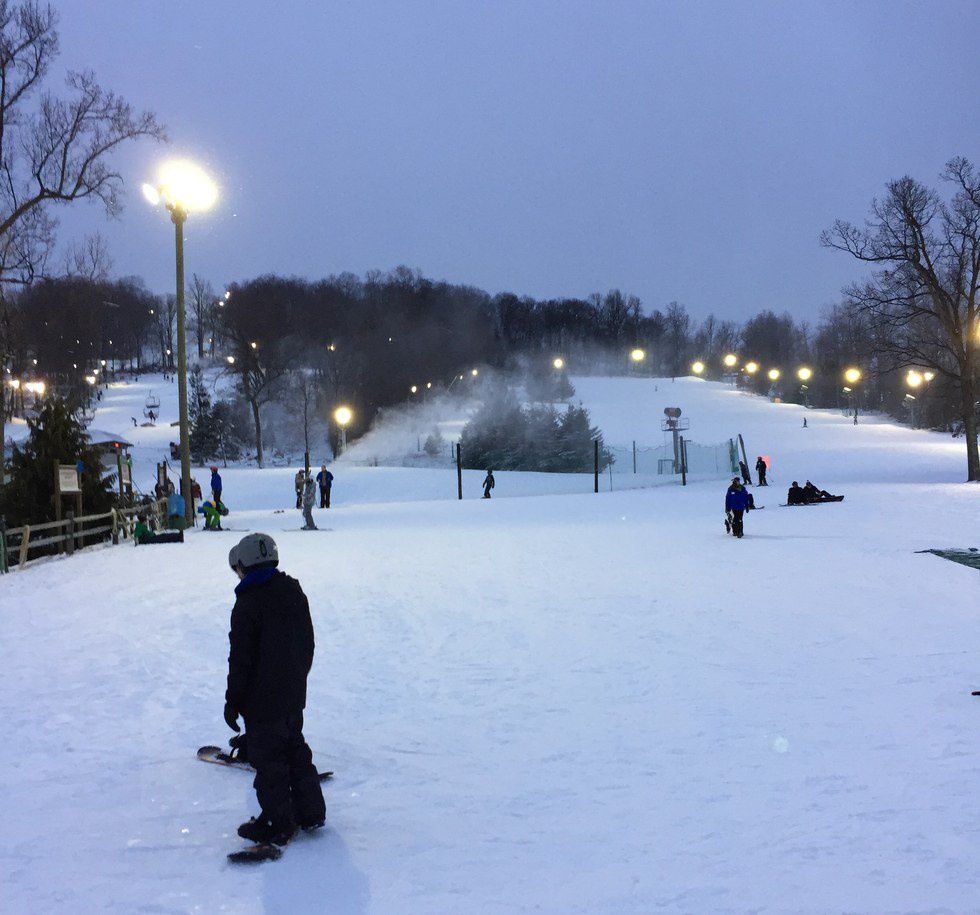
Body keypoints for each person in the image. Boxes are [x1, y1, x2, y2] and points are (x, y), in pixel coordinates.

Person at [224, 534, 325, 846]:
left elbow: (241, 660)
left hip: (262, 700)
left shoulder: (248, 603)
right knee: (294, 748)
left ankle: (278, 822)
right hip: (292, 693)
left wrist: (233, 701)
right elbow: (307, 642)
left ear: (245, 566)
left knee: (269, 759)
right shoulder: (292, 591)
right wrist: (298, 677)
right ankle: (311, 811)